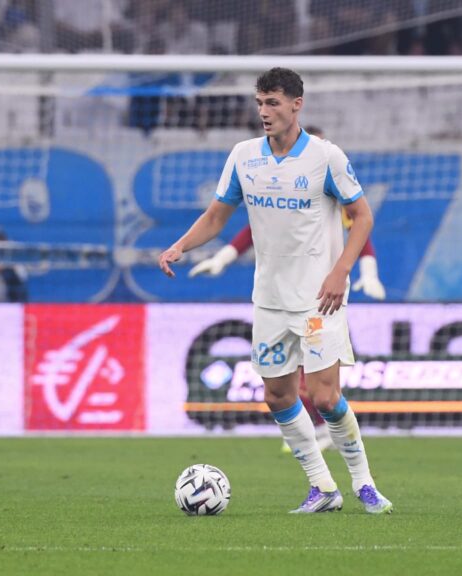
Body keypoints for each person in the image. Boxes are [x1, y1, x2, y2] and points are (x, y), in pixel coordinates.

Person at [159, 67, 393, 514]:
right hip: (268, 298)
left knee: (324, 397)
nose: (264, 112)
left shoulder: (326, 157)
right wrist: (179, 247)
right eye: (259, 103)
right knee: (278, 396)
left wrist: (341, 271)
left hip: (318, 298)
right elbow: (217, 215)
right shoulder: (244, 156)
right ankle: (322, 489)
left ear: (296, 104)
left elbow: (362, 216)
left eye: (273, 103)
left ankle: (364, 484)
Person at [189, 125, 386, 454]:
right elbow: (255, 229)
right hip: (285, 293)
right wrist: (223, 256)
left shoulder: (332, 187)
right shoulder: (281, 187)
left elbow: (360, 225)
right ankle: (318, 432)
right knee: (293, 374)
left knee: (319, 380)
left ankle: (329, 432)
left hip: (324, 293)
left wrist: (368, 270)